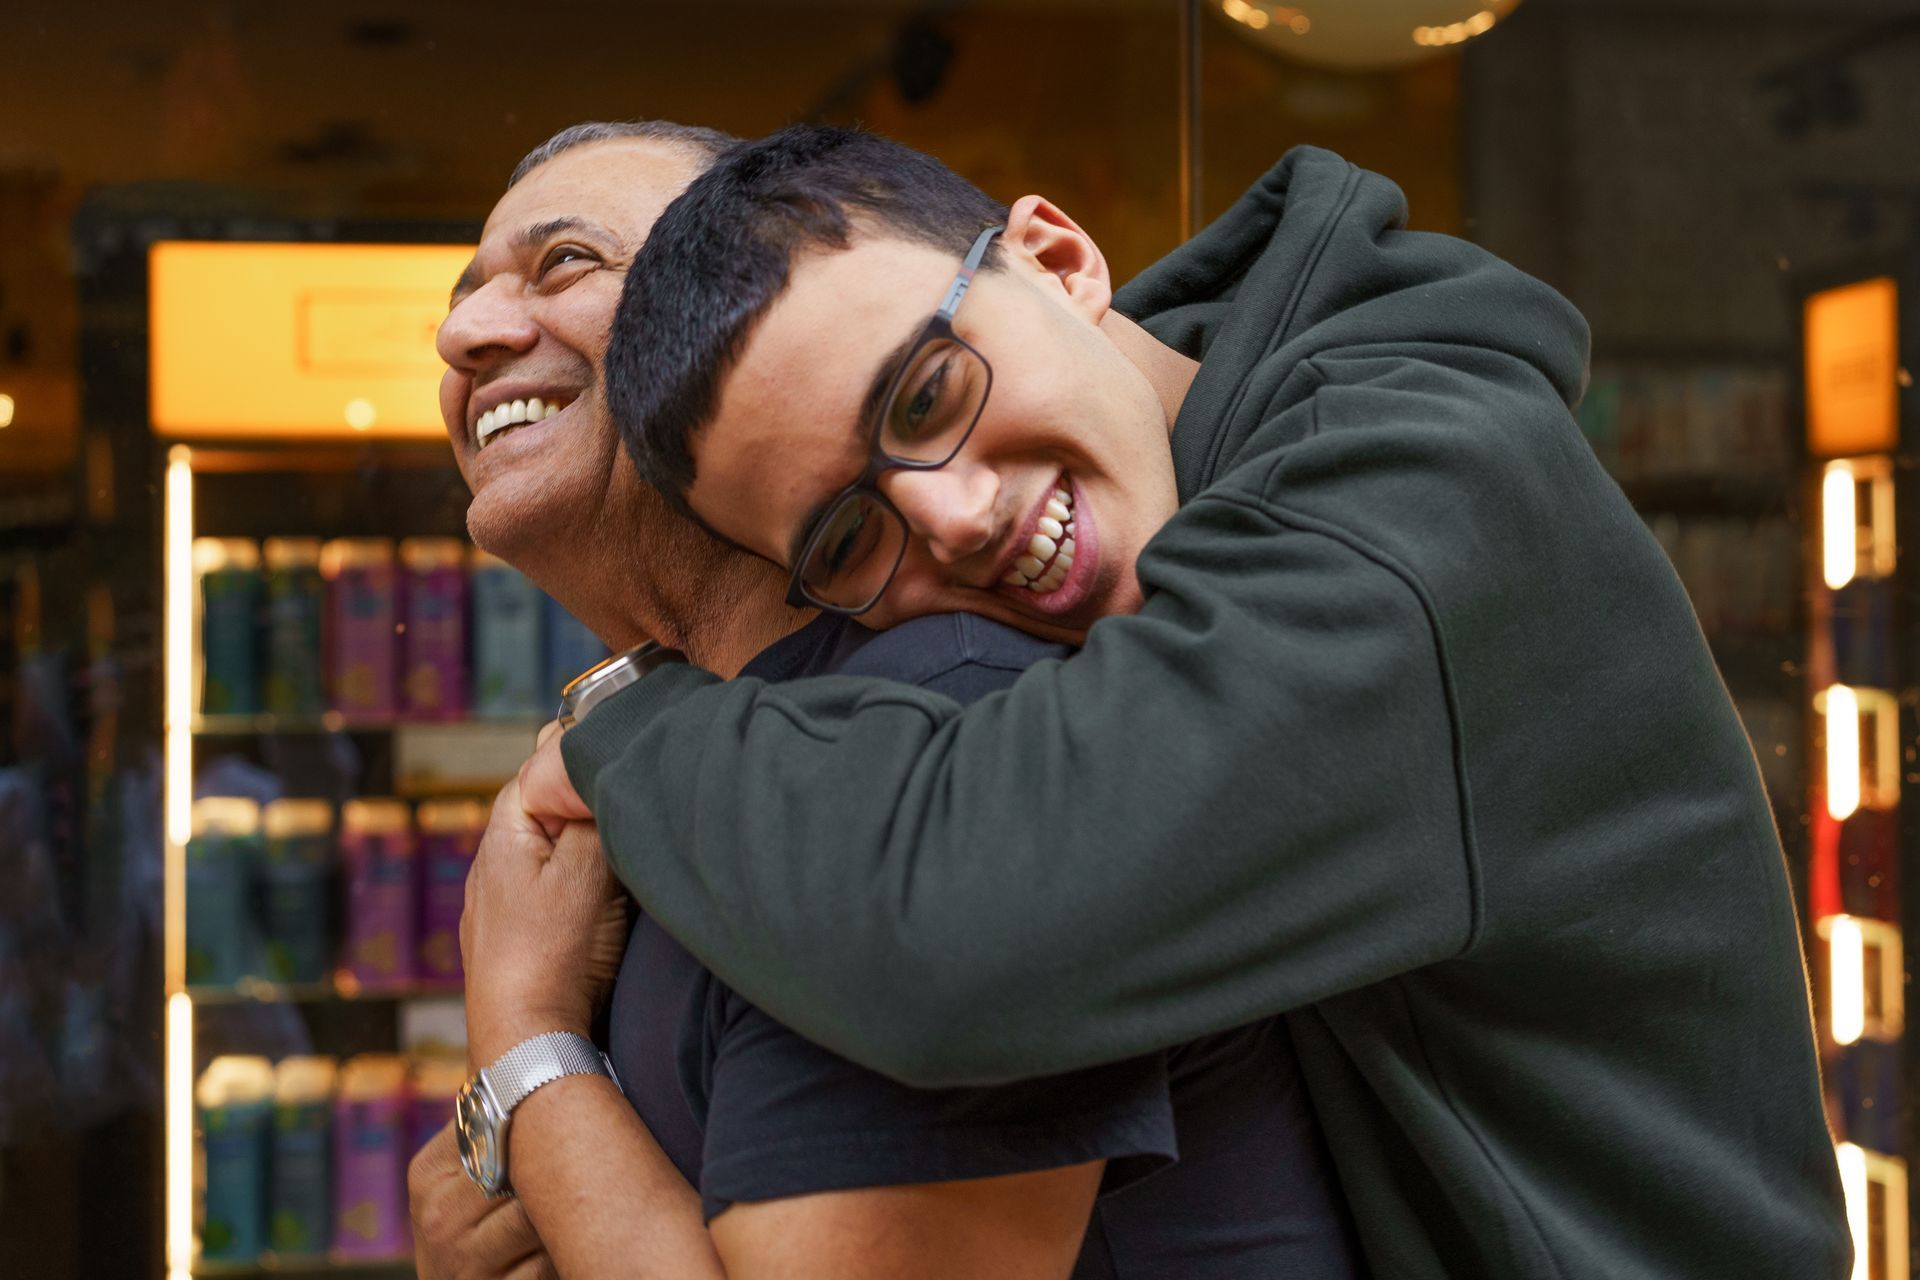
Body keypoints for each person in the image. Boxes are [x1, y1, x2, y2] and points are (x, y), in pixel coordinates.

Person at [514, 123, 1854, 1277]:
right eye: (851, 537)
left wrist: (635, 726)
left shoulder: (1418, 497)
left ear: (1056, 257)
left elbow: (973, 936)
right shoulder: (1183, 493)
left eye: (928, 393)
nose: (959, 515)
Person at [415, 120, 1365, 1280]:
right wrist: (524, 1148)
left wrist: (525, 1053)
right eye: (466, 297)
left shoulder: (950, 733)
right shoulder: (699, 756)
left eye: (566, 261)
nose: (462, 333)